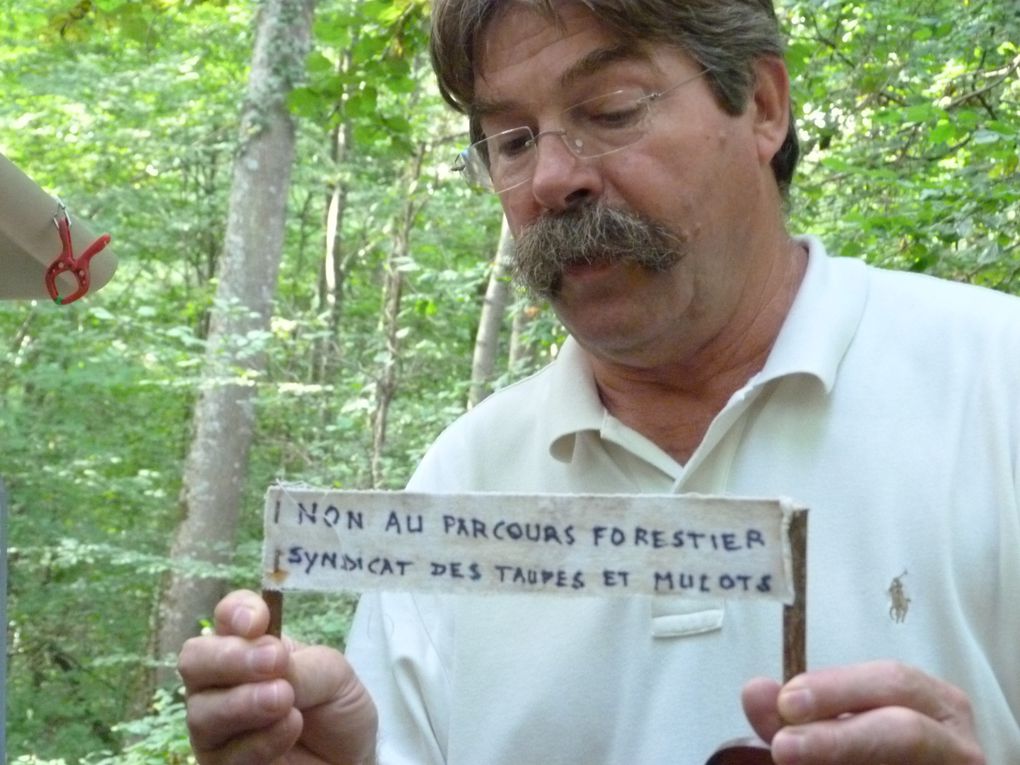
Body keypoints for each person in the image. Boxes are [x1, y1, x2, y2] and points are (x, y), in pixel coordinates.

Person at [178, 1, 1019, 762]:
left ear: (762, 105)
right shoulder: (466, 479)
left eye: (611, 110)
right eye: (510, 140)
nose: (551, 179)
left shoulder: (995, 382)